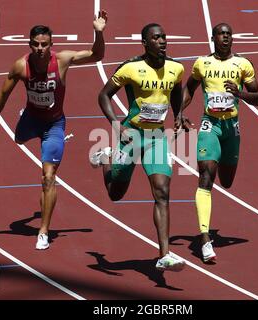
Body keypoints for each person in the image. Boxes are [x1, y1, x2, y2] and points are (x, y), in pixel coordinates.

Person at [0, 11, 108, 250]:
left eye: (44, 44)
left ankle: (43, 231)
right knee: (19, 139)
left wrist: (98, 31)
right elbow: (2, 95)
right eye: (35, 44)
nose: (40, 49)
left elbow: (97, 55)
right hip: (31, 119)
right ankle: (24, 121)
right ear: (29, 45)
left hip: (54, 125)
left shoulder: (63, 60)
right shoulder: (21, 66)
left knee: (48, 177)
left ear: (51, 45)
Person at [90, 23, 187, 271]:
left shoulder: (176, 68)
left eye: (164, 37)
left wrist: (178, 114)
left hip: (156, 137)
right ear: (145, 43)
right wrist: (114, 123)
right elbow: (103, 95)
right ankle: (105, 159)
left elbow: (176, 91)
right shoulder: (131, 68)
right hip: (131, 136)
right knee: (115, 194)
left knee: (162, 192)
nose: (162, 41)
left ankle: (164, 254)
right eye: (156, 38)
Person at [181, 23, 258, 262]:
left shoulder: (243, 64)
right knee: (206, 175)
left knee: (226, 181)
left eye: (229, 34)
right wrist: (179, 112)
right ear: (213, 38)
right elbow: (189, 89)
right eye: (221, 34)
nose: (226, 37)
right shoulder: (202, 64)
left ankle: (207, 234)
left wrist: (240, 94)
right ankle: (205, 237)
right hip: (210, 125)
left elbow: (257, 97)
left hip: (232, 128)